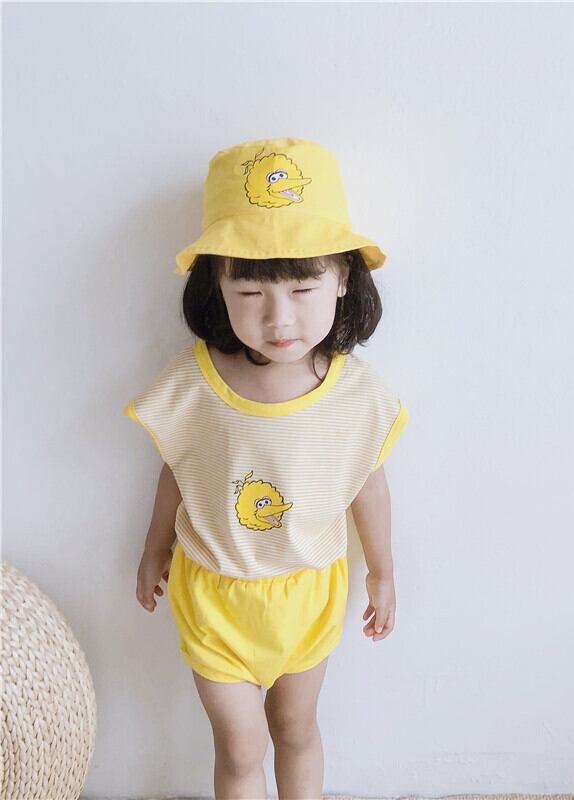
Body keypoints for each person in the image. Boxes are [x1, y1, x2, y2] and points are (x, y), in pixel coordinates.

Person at [124, 138, 409, 800]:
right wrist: (154, 546)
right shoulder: (194, 384)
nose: (279, 318)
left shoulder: (355, 394)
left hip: (308, 595)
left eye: (304, 288)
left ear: (343, 278)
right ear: (216, 286)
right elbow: (177, 468)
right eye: (249, 290)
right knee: (240, 745)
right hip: (215, 597)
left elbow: (368, 483)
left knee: (296, 729)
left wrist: (384, 571)